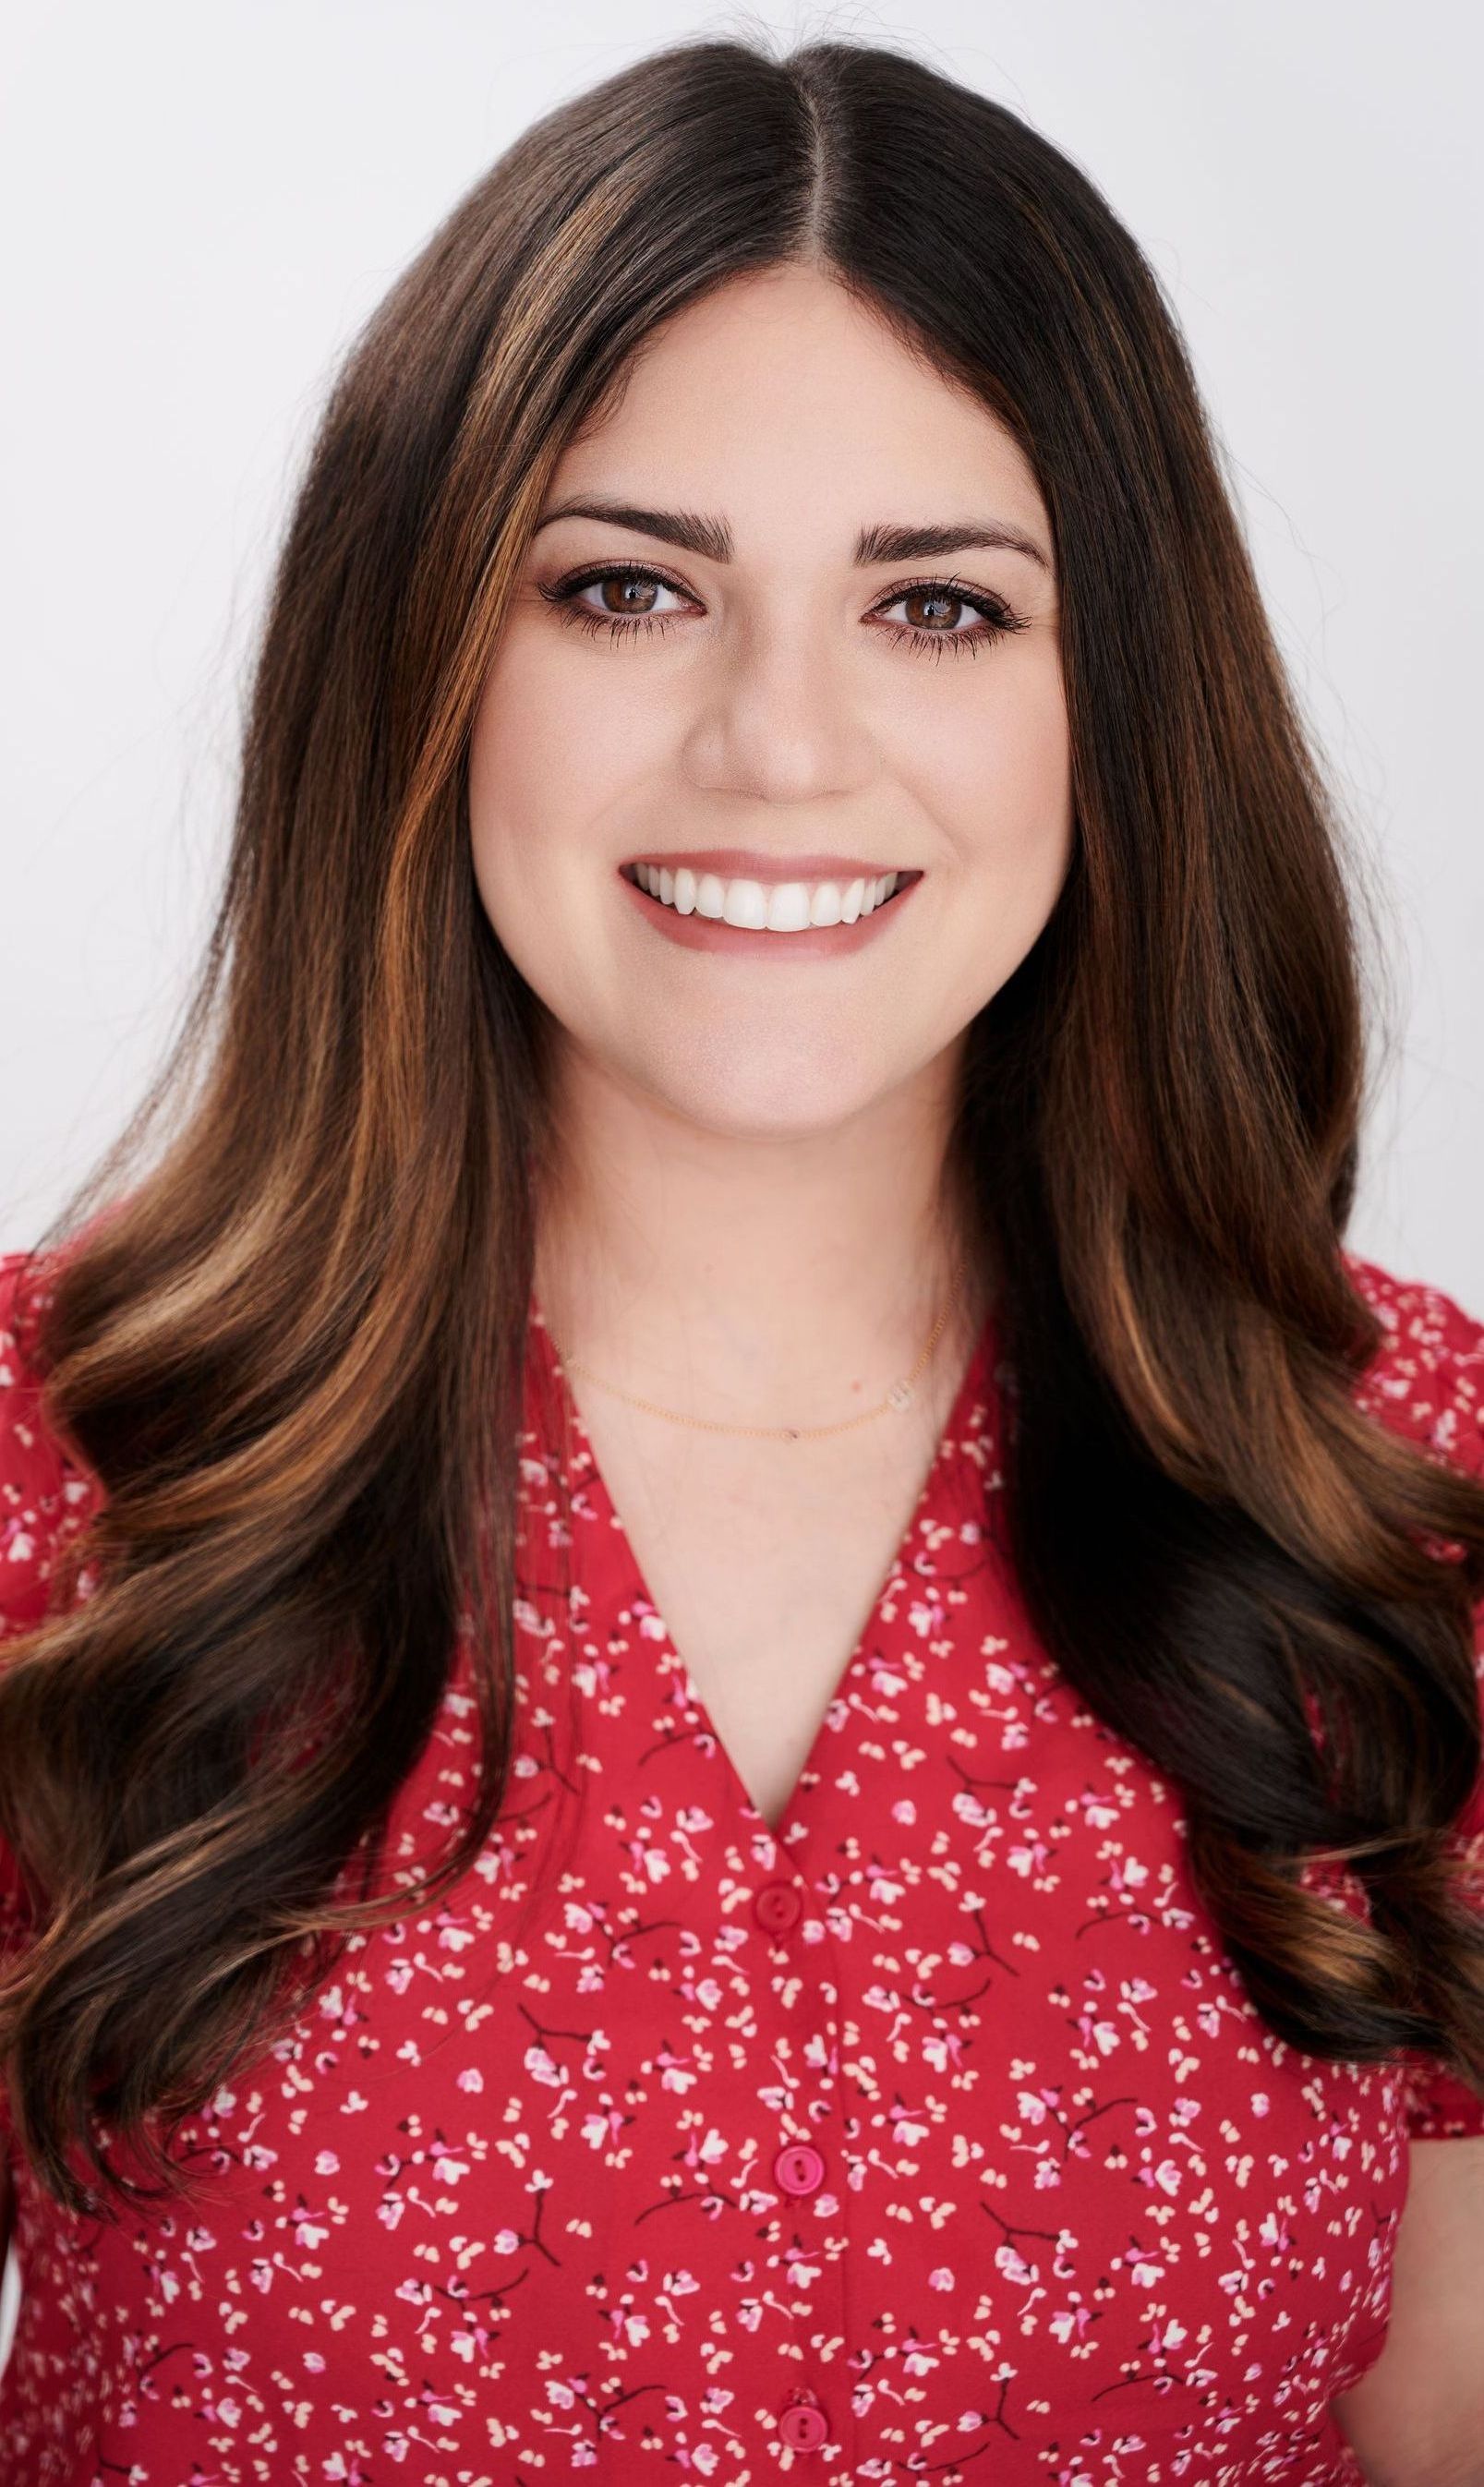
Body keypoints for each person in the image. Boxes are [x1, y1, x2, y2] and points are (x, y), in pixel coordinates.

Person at [1, 31, 1481, 2485]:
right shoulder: (61, 1479)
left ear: (1114, 695)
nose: (783, 747)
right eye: (625, 588)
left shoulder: (1404, 1492)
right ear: (430, 660)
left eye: (937, 604)